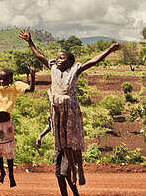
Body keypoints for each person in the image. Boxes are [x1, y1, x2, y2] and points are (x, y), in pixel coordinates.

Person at [19, 30, 120, 186]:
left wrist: (109, 50)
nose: (58, 60)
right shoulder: (52, 68)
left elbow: (93, 61)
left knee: (74, 142)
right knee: (63, 142)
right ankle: (72, 169)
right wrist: (30, 42)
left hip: (70, 109)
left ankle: (80, 169)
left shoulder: (74, 70)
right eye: (58, 58)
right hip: (57, 110)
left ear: (69, 62)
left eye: (62, 58)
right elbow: (40, 56)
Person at [36, 115, 82, 196]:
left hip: (68, 147)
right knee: (58, 174)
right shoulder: (52, 112)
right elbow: (50, 125)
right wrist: (40, 136)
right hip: (58, 147)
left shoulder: (65, 111)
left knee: (66, 173)